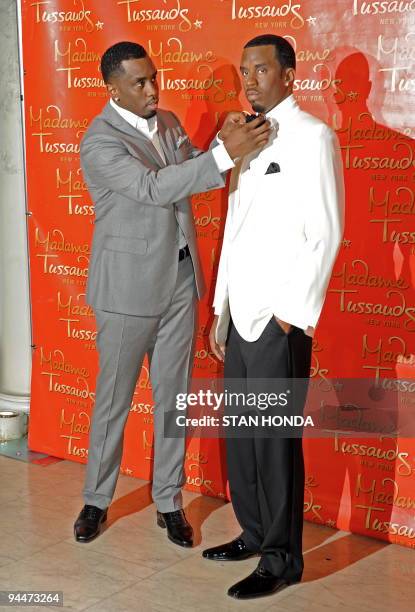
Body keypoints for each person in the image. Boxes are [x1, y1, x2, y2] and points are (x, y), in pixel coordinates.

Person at [74, 41, 271, 547]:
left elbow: (191, 174)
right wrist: (225, 155)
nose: (152, 89)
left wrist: (220, 145)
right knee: (113, 402)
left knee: (174, 401)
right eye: (139, 82)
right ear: (111, 87)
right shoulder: (98, 142)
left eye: (153, 77)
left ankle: (169, 500)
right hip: (125, 290)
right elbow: (154, 187)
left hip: (181, 282)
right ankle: (96, 501)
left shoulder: (168, 122)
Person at [203, 35, 344, 599]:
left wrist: (292, 315)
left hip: (279, 318)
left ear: (289, 75)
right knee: (242, 434)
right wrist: (220, 308)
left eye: (261, 69)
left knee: (274, 439)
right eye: (244, 70)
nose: (250, 79)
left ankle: (282, 559)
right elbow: (234, 232)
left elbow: (326, 231)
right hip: (241, 314)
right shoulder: (242, 137)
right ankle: (255, 532)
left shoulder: (313, 137)